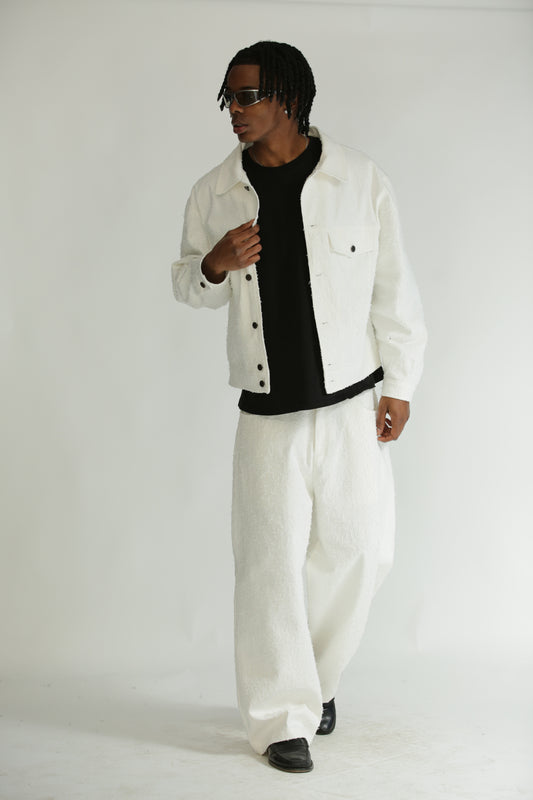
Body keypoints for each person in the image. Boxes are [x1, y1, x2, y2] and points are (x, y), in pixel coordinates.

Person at [171, 40, 426, 774]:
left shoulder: (359, 180)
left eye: (247, 96)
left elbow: (394, 289)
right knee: (269, 567)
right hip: (267, 412)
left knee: (362, 550)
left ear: (288, 96)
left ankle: (316, 680)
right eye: (228, 97)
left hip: (350, 405)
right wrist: (214, 263)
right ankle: (281, 717)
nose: (234, 111)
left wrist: (401, 384)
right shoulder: (215, 192)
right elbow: (186, 283)